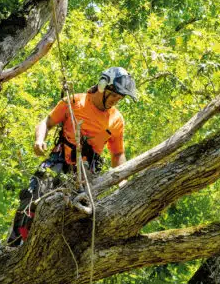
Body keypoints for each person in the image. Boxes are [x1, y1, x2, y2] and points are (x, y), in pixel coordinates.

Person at [7, 67, 137, 246]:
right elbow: (47, 122)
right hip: (59, 160)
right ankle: (14, 244)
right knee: (32, 195)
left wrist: (122, 179)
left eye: (120, 98)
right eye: (114, 95)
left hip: (87, 172)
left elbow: (117, 153)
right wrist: (39, 139)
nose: (116, 101)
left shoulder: (116, 120)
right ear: (102, 86)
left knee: (81, 216)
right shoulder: (74, 101)